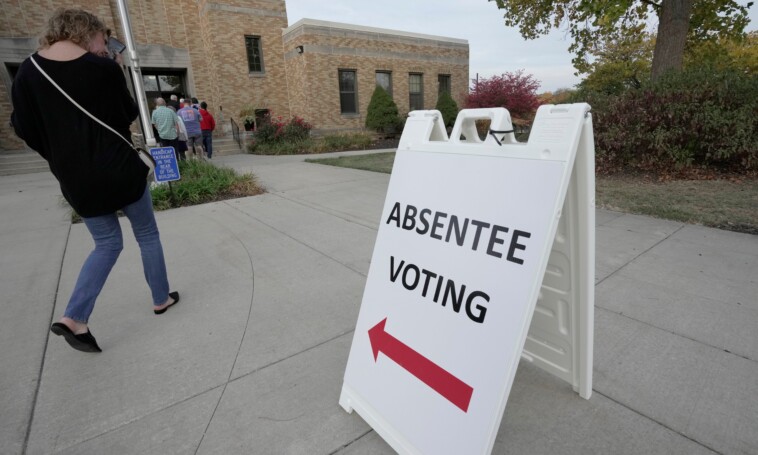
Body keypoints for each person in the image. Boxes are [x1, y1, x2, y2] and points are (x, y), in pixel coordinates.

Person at [10, 8, 180, 353]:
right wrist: (113, 69)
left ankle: (75, 317)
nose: (104, 44)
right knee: (146, 234)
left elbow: (24, 128)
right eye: (103, 37)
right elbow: (126, 114)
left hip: (77, 179)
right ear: (87, 32)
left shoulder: (28, 71)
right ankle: (160, 298)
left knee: (106, 244)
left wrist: (61, 155)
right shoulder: (102, 68)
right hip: (118, 169)